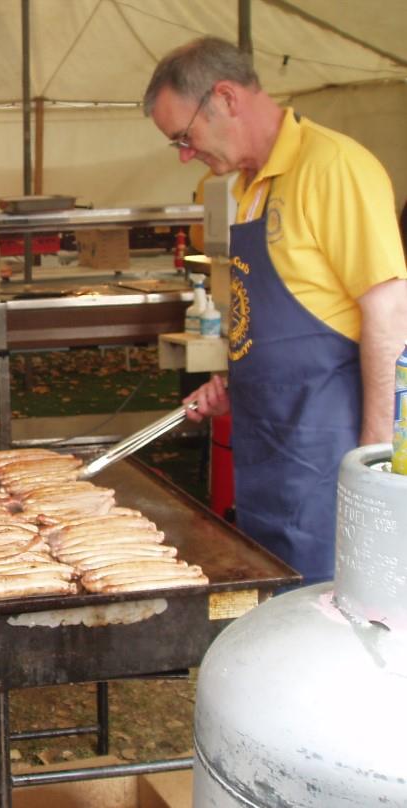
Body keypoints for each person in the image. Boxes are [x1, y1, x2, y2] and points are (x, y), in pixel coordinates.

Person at [143, 37, 407, 584]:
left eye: (184, 137)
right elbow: (272, 315)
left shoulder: (333, 167)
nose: (187, 154)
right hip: (266, 449)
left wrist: (375, 456)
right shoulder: (247, 187)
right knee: (276, 598)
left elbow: (388, 310)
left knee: (328, 615)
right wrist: (234, 379)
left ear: (226, 98)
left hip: (327, 447)